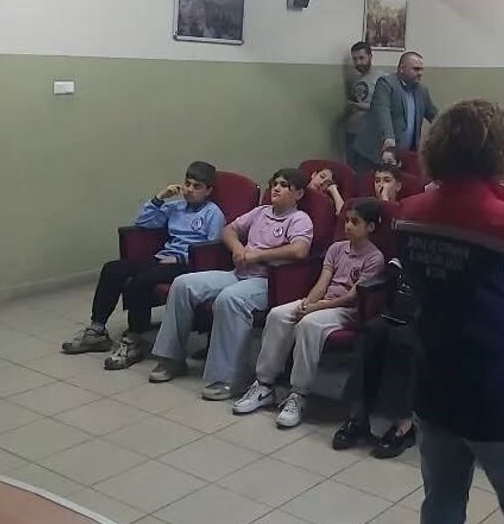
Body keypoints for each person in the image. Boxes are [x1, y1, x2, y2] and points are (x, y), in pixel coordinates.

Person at [395, 99, 504, 524]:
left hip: (434, 384)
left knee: (441, 504)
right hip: (502, 397)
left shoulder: (408, 214)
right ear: (502, 153)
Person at [148, 169, 314, 400]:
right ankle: (172, 359)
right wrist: (238, 248)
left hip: (269, 281)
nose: (276, 188)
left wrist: (258, 256)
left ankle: (229, 379)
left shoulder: (299, 219)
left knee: (229, 299)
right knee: (183, 284)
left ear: (299, 194)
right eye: (275, 183)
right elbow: (229, 230)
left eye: (284, 185)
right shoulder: (261, 212)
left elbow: (300, 250)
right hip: (239, 273)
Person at [234, 200, 386, 428]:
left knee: (309, 324)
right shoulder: (337, 249)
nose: (348, 226)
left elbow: (352, 297)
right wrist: (308, 302)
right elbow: (323, 283)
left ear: (370, 227)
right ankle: (264, 384)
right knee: (277, 314)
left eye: (355, 222)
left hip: (346, 310)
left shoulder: (375, 257)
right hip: (323, 302)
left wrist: (317, 308)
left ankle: (299, 394)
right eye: (346, 221)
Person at [61, 162, 226, 369]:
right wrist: (160, 198)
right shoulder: (176, 207)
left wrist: (180, 259)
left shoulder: (213, 213)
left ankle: (135, 338)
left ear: (208, 190)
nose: (189, 190)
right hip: (163, 257)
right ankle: (97, 330)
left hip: (188, 264)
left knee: (141, 280)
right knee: (113, 269)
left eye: (197, 186)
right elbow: (143, 223)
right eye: (187, 184)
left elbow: (213, 249)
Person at [333, 257, 421, 458]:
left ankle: (404, 426)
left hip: (430, 319)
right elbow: (397, 263)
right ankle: (359, 417)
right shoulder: (415, 245)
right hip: (398, 313)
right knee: (369, 334)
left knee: (401, 340)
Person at [351, 51, 438, 172]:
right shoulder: (386, 84)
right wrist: (389, 141)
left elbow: (435, 116)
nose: (420, 73)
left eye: (421, 69)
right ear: (402, 69)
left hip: (403, 155)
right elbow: (383, 112)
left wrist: (452, 130)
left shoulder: (422, 90)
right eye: (416, 69)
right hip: (373, 153)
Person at [343, 41, 380, 166]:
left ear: (370, 56)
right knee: (351, 168)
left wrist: (358, 106)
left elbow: (383, 107)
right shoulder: (355, 79)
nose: (358, 62)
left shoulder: (381, 78)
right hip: (351, 132)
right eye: (355, 59)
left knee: (366, 169)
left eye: (361, 58)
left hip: (369, 134)